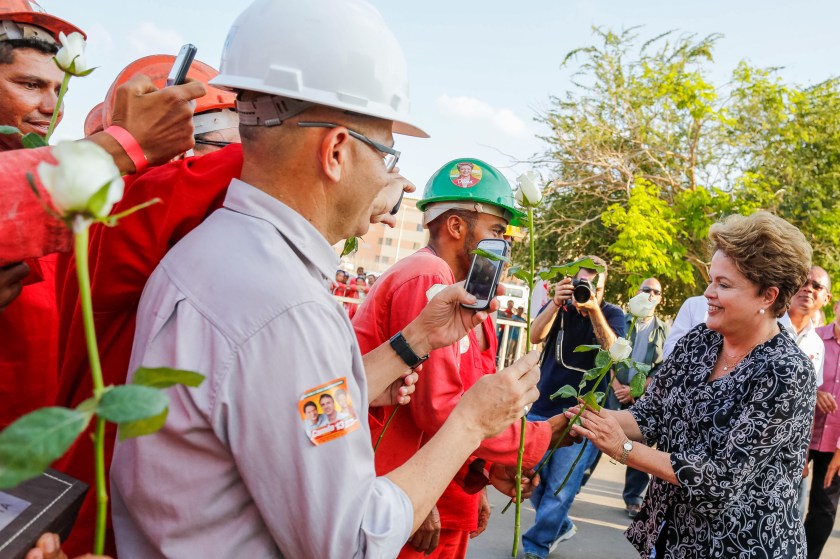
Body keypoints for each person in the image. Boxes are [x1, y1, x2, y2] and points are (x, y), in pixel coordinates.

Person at [109, 2, 541, 558]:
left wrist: (418, 340)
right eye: (387, 154)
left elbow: (275, 404)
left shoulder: (224, 255)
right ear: (336, 150)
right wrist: (472, 422)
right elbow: (353, 540)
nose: (393, 181)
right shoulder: (285, 306)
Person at [354, 158, 569, 559]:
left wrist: (478, 473)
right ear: (456, 226)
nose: (504, 245)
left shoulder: (464, 297)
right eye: (497, 231)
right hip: (401, 486)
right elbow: (436, 409)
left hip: (437, 485)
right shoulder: (427, 277)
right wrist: (535, 439)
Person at [567, 211, 814, 558]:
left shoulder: (787, 372)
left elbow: (719, 480)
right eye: (712, 280)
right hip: (673, 538)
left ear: (767, 296)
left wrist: (622, 449)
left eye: (724, 285)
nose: (708, 293)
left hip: (742, 547)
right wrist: (584, 418)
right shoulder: (700, 342)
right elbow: (649, 415)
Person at [522, 256, 625, 559]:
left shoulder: (611, 314)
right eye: (581, 283)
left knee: (561, 488)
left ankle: (535, 547)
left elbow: (614, 352)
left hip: (584, 414)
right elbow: (535, 335)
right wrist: (555, 303)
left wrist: (593, 310)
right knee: (529, 476)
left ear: (603, 288)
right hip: (544, 405)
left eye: (593, 285)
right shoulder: (560, 308)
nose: (586, 289)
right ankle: (560, 524)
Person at [607, 278, 669, 519]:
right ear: (637, 292)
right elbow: (607, 354)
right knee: (596, 436)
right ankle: (571, 487)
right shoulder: (622, 321)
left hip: (641, 396)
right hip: (614, 390)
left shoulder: (663, 329)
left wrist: (636, 390)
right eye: (647, 289)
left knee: (639, 447)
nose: (651, 294)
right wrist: (616, 385)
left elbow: (661, 368)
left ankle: (633, 498)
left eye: (656, 291)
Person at [788, 266, 831, 514]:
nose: (808, 288)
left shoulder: (817, 344)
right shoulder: (764, 324)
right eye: (803, 282)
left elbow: (806, 407)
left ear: (825, 299)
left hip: (788, 451)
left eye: (816, 286)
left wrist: (802, 453)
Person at [805, 296, 840, 559]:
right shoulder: (814, 339)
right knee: (788, 503)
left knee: (824, 511)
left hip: (835, 445)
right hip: (803, 436)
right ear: (836, 308)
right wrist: (816, 393)